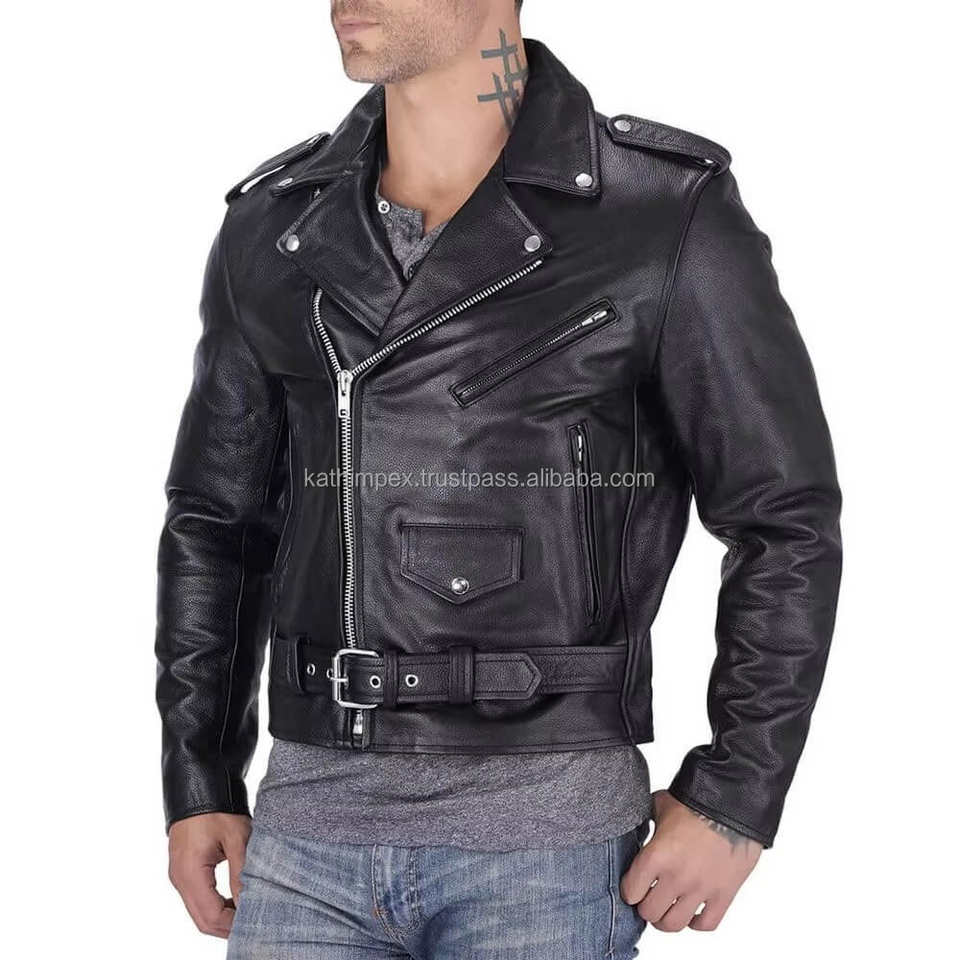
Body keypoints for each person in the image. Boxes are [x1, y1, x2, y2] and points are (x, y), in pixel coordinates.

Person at [156, 1, 842, 956]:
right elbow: (216, 522)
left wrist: (735, 796)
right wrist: (199, 776)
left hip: (546, 845)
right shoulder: (276, 224)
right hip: (306, 838)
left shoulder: (659, 212)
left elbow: (783, 519)